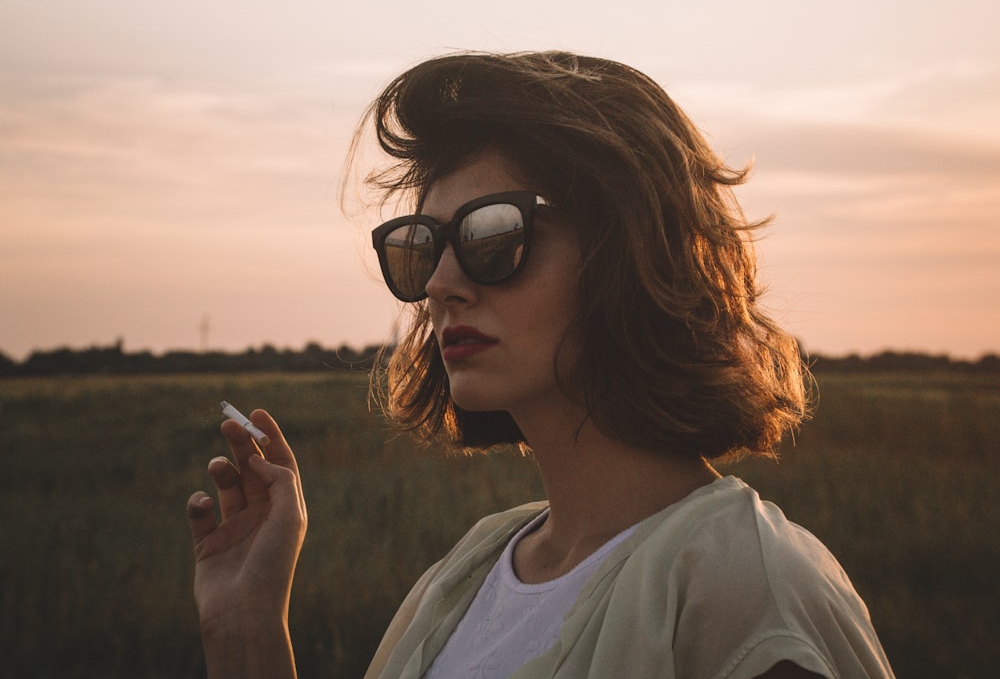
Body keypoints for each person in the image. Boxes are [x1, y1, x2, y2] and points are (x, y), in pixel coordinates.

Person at [187, 51, 895, 678]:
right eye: (422, 246)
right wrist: (248, 627)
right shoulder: (468, 574)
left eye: (492, 236)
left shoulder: (746, 590)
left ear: (629, 251)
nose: (439, 284)